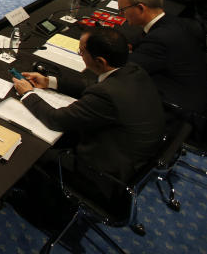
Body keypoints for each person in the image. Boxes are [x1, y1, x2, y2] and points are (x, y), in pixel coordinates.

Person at [10, 28, 164, 248]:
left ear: (99, 60)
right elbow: (95, 86)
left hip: (103, 176)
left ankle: (41, 211)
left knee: (31, 151)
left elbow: (56, 119)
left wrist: (28, 94)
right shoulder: (131, 70)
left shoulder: (107, 95)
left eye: (81, 51)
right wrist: (50, 82)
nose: (80, 54)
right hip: (134, 160)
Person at [117, 0, 207, 116]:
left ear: (140, 8)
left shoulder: (159, 39)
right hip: (196, 87)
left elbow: (125, 69)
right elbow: (147, 38)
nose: (121, 15)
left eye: (122, 10)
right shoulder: (172, 21)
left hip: (177, 105)